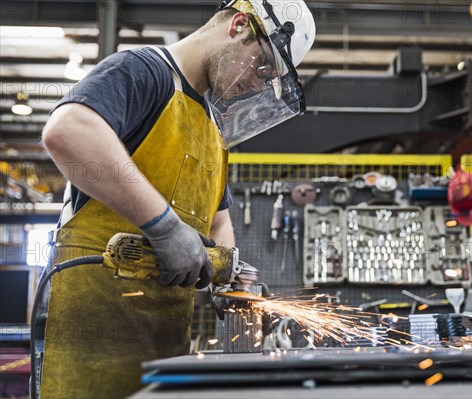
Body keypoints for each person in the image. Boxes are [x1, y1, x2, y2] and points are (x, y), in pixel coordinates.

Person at [34, 1, 316, 397]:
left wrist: (231, 282)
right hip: (88, 332)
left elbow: (217, 221)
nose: (257, 84)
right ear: (238, 26)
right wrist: (164, 227)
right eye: (263, 66)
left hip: (162, 349)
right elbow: (68, 132)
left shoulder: (213, 128)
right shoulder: (143, 69)